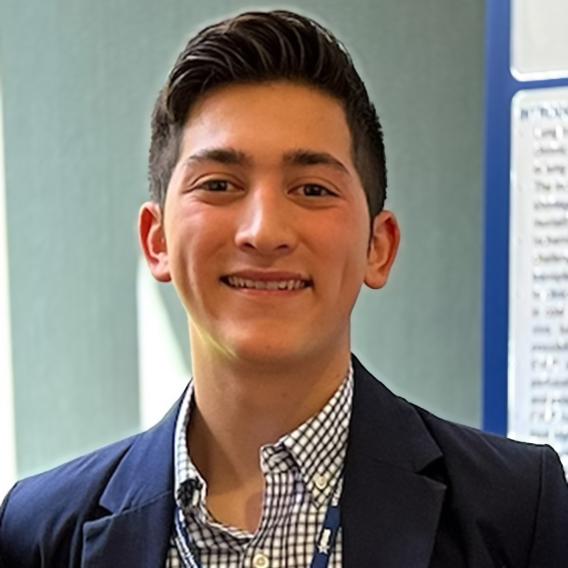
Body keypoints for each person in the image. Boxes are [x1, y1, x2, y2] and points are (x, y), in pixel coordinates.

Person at [1, 9, 567, 568]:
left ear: (379, 246)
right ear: (157, 241)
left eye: (313, 189)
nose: (263, 231)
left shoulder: (518, 510)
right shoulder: (38, 533)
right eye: (219, 184)